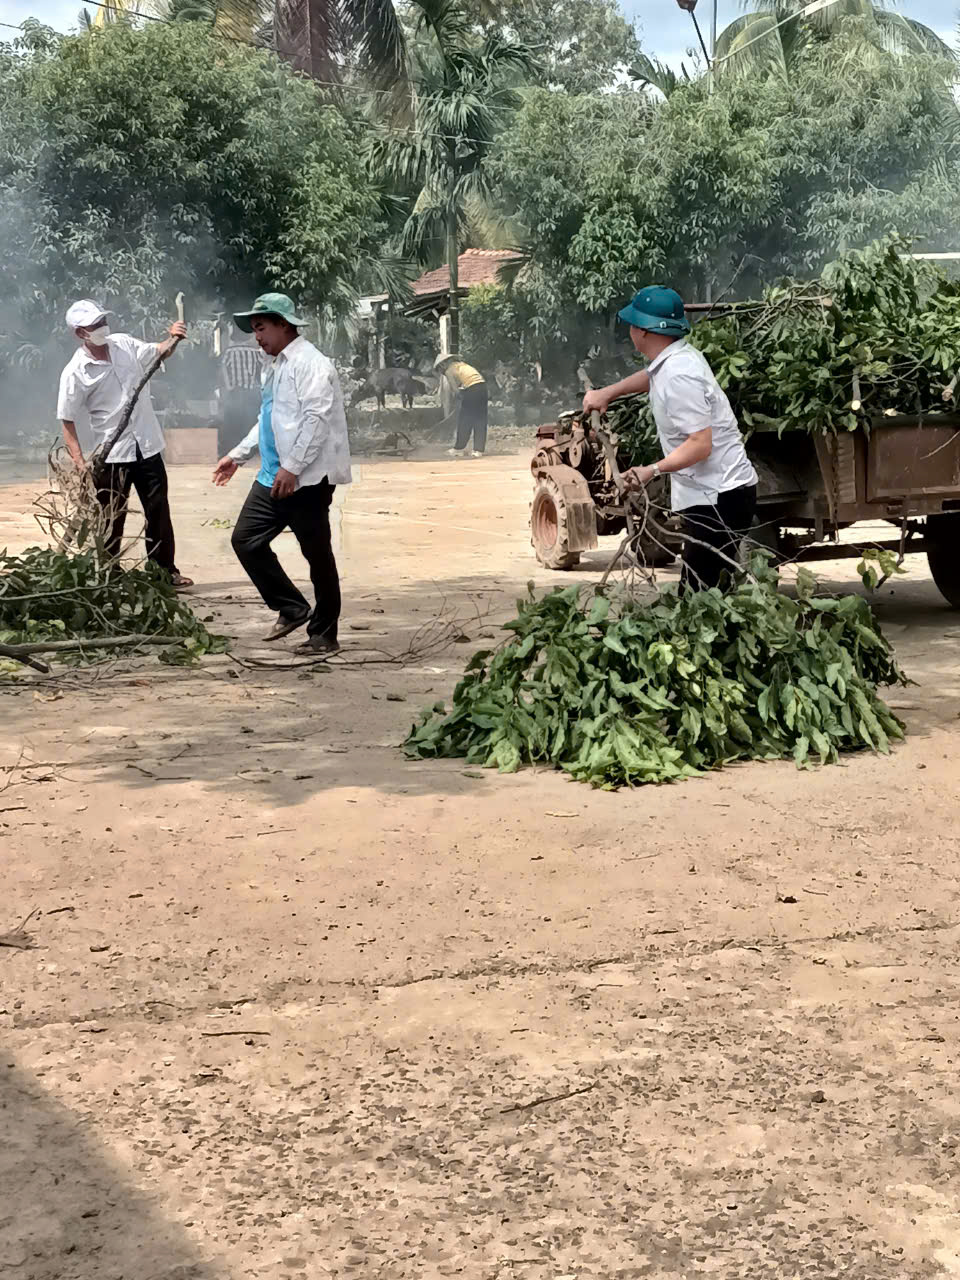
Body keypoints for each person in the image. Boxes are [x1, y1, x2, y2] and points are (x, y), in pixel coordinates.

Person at [583, 285, 758, 592]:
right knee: (711, 594)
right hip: (713, 494)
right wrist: (607, 393)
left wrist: (651, 470)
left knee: (698, 598)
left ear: (644, 331)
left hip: (719, 498)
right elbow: (651, 377)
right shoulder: (675, 359)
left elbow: (700, 444)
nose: (630, 330)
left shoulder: (679, 375)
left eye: (633, 324)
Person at [211, 292, 351, 657]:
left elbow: (315, 422)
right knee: (246, 540)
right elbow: (269, 420)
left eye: (261, 328)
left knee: (317, 555)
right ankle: (291, 607)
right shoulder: (273, 366)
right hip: (273, 475)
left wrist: (293, 468)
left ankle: (324, 634)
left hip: (306, 480)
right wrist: (237, 456)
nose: (256, 337)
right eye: (254, 329)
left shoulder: (312, 364)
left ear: (283, 325)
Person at [57, 298, 193, 588]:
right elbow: (67, 420)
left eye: (102, 321)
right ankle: (109, 573)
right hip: (112, 454)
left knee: (157, 510)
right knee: (111, 517)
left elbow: (157, 353)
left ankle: (164, 571)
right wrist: (80, 464)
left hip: (147, 444)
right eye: (94, 325)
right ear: (80, 333)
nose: (101, 328)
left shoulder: (124, 344)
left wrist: (173, 337)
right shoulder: (76, 371)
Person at [434, 353, 488, 458]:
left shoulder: (449, 370)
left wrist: (460, 398)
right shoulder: (462, 365)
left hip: (472, 389)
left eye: (440, 369)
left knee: (465, 420)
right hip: (483, 388)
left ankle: (459, 448)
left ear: (442, 365)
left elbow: (456, 390)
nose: (441, 372)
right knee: (480, 419)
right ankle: (478, 450)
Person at [219, 329, 262, 455]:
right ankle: (249, 451)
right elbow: (260, 368)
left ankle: (233, 449)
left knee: (233, 420)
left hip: (235, 390)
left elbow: (223, 368)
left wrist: (228, 386)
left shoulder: (229, 351)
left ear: (234, 338)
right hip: (251, 390)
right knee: (250, 421)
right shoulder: (255, 351)